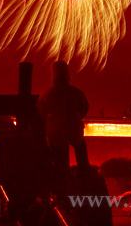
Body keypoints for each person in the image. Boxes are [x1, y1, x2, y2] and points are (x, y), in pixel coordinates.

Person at [37, 60, 90, 194]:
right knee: (80, 147)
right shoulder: (76, 92)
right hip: (74, 126)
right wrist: (76, 117)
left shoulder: (46, 94)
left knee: (59, 155)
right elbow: (84, 107)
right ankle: (84, 172)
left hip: (55, 129)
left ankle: (62, 178)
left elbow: (41, 111)